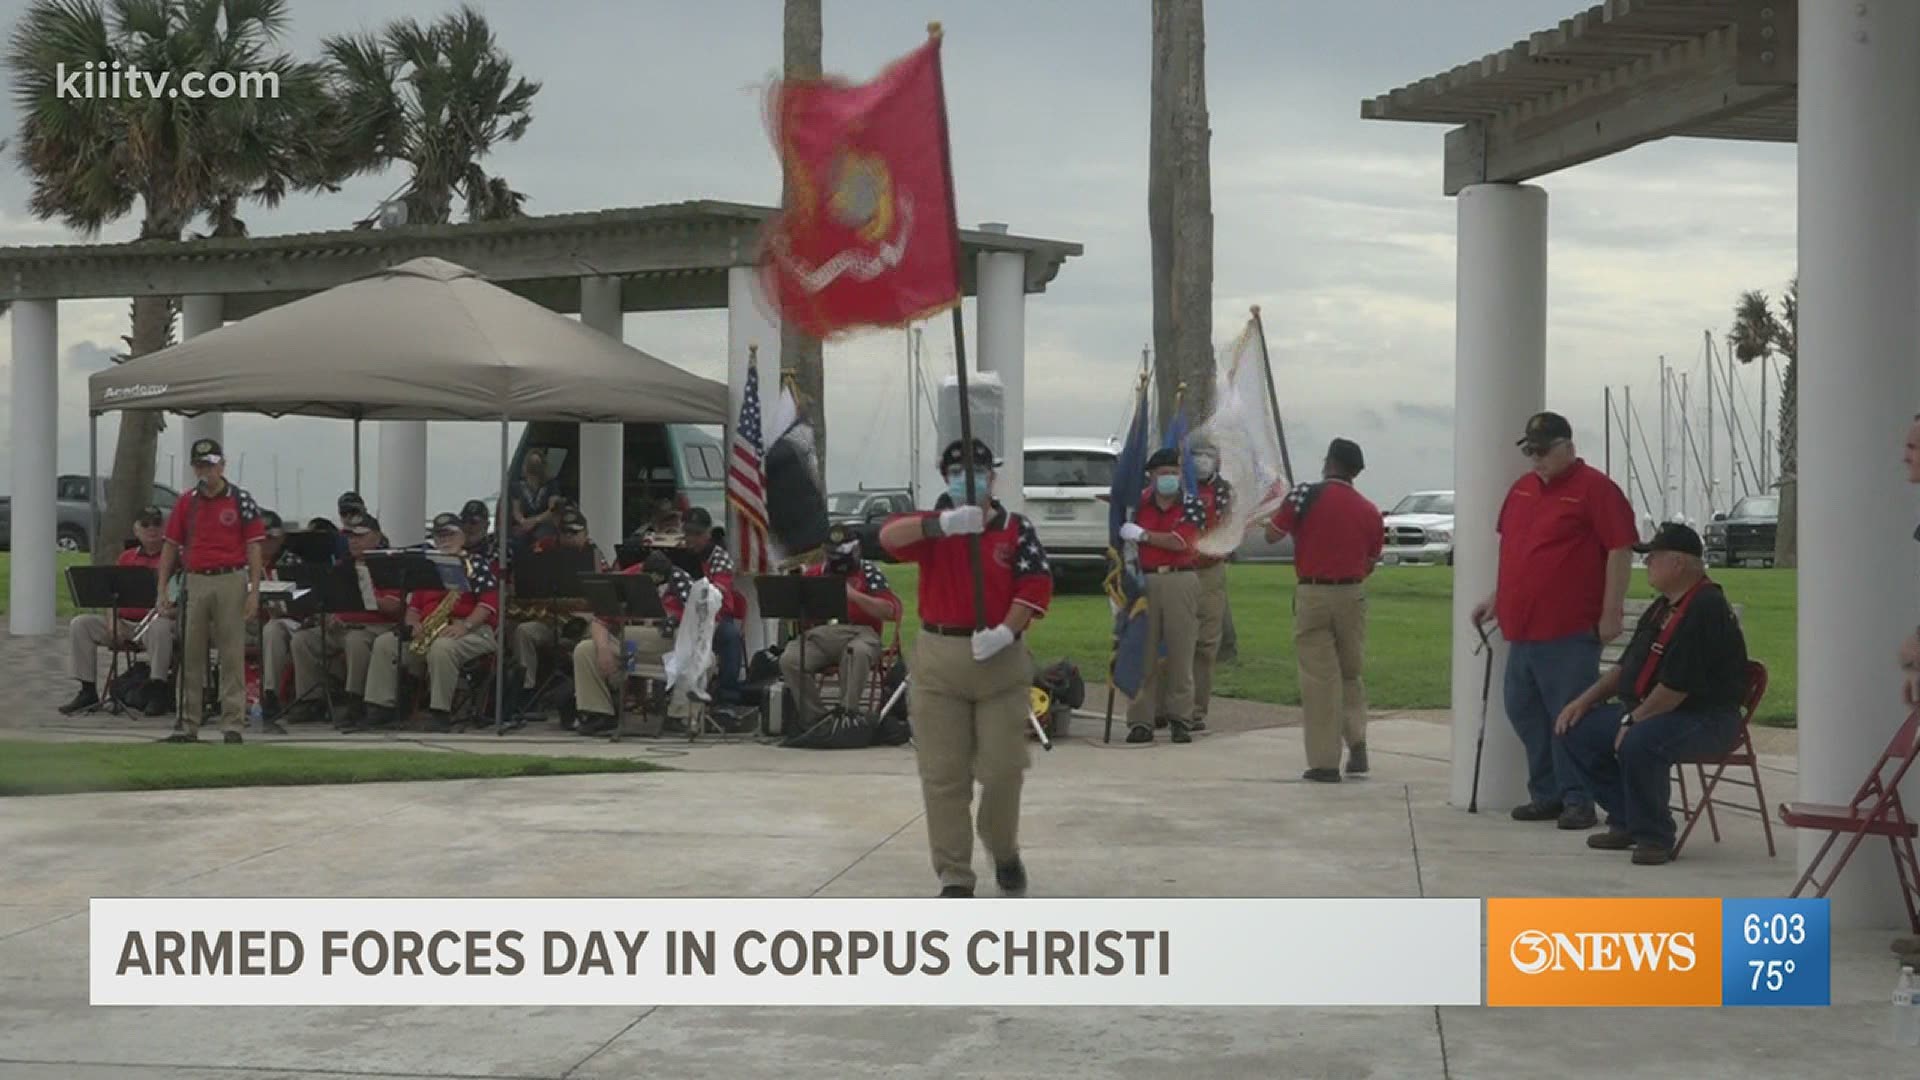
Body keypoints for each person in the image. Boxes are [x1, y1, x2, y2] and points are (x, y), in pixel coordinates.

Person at [879, 438, 1053, 898]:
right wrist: (943, 525)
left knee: (1002, 770)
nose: (967, 480)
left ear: (992, 478)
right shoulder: (931, 528)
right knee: (943, 775)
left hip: (998, 659)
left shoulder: (1016, 528)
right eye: (957, 473)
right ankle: (955, 874)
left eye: (977, 472)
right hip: (941, 657)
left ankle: (1003, 847)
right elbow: (887, 538)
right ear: (946, 478)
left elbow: (1035, 585)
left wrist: (1005, 631)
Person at [1469, 411, 1638, 828]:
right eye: (1530, 451)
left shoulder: (1595, 490)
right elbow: (1518, 553)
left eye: (1544, 451)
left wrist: (1611, 610)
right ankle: (1547, 793)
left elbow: (1620, 549)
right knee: (1524, 711)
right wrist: (1498, 596)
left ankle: (1578, 799)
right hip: (1521, 628)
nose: (1536, 459)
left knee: (1569, 716)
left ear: (1568, 447)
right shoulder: (1522, 490)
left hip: (1568, 629)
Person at [1553, 523, 1748, 865]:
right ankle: (1627, 817)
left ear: (1678, 564)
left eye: (1654, 558)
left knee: (1640, 741)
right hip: (1657, 709)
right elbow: (1627, 667)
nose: (1648, 565)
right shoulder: (1662, 607)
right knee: (1577, 730)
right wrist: (1582, 703)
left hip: (1706, 718)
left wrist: (1632, 720)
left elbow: (1676, 688)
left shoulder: (1705, 608)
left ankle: (1654, 836)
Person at [1265, 438, 1384, 782]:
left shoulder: (1304, 495)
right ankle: (1357, 739)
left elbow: (1273, 536)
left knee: (1319, 679)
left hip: (1314, 591)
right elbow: (1372, 559)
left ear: (1329, 462)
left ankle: (1324, 761)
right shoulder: (1369, 510)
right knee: (1350, 671)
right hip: (1352, 593)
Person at [154, 438, 267, 744]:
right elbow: (170, 546)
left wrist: (254, 590)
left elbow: (254, 547)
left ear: (222, 465)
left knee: (232, 651)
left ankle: (233, 723)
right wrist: (162, 587)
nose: (206, 471)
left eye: (211, 465)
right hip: (195, 578)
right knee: (191, 652)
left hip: (230, 577)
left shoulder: (240, 500)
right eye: (201, 465)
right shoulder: (187, 502)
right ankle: (187, 721)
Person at [357, 512, 500, 733]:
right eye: (439, 536)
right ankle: (380, 707)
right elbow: (413, 607)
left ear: (463, 536)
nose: (444, 540)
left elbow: (489, 604)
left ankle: (440, 712)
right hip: (431, 629)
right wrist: (413, 624)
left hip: (472, 629)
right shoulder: (428, 566)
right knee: (385, 643)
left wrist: (465, 626)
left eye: (450, 534)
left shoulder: (477, 564)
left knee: (443, 648)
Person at [1119, 447, 1207, 744]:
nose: (1170, 478)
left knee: (1181, 652)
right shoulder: (1138, 504)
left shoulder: (1191, 504)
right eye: (1163, 473)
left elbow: (1181, 541)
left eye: (1174, 472)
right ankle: (1140, 720)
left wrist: (1143, 535)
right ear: (1151, 476)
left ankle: (1181, 718)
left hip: (1179, 579)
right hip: (1144, 580)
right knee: (1143, 651)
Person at [778, 523, 902, 728]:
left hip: (861, 633)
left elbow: (890, 611)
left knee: (857, 652)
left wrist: (853, 596)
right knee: (790, 659)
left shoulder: (869, 573)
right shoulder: (815, 574)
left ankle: (847, 713)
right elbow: (796, 616)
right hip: (821, 636)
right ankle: (816, 719)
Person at [287, 515, 404, 727]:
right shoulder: (342, 566)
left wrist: (369, 599)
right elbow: (329, 599)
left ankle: (355, 700)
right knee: (302, 640)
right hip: (341, 625)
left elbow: (396, 606)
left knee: (356, 641)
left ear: (377, 537)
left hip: (375, 626)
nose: (354, 541)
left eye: (360, 536)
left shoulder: (388, 563)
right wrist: (330, 616)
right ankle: (311, 700)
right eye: (350, 536)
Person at [59, 505, 175, 717]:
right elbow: (110, 595)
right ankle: (87, 690)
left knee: (161, 628)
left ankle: (157, 690)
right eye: (145, 524)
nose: (152, 529)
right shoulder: (126, 558)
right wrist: (113, 620)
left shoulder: (173, 557)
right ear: (136, 530)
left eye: (157, 524)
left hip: (154, 623)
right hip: (125, 623)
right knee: (81, 624)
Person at [570, 551, 693, 736]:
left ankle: (678, 716)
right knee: (585, 650)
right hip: (628, 646)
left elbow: (703, 623)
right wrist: (603, 650)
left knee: (701, 655)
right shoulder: (628, 579)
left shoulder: (683, 582)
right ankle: (600, 714)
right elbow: (599, 620)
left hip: (668, 647)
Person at [509, 506, 604, 714]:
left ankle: (584, 697)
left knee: (591, 639)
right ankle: (526, 691)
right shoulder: (544, 551)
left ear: (586, 534)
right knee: (524, 632)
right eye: (565, 532)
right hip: (551, 619)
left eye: (575, 532)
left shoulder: (595, 555)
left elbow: (605, 599)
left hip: (583, 620)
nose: (569, 537)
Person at [681, 506, 746, 704]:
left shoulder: (720, 558)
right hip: (682, 616)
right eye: (688, 533)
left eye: (697, 534)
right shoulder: (677, 554)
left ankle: (728, 697)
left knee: (730, 636)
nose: (692, 539)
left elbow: (718, 596)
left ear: (708, 534)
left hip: (714, 617)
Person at [1190, 440, 1233, 732]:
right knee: (1174, 641)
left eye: (1208, 456)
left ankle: (1195, 711)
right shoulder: (1180, 489)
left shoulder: (1225, 493)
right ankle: (1168, 704)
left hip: (1210, 571)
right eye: (1197, 456)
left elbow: (1232, 526)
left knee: (1205, 644)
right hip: (1178, 570)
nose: (1202, 461)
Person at [256, 510, 302, 732]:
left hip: (288, 622)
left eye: (272, 538)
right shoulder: (242, 563)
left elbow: (304, 604)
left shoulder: (292, 562)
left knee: (273, 630)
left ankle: (270, 695)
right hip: (249, 622)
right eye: (262, 537)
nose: (266, 543)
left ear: (281, 538)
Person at [509, 451, 564, 560]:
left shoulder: (551, 485)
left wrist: (535, 521)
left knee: (542, 538)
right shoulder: (516, 486)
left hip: (545, 523)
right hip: (524, 524)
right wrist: (523, 521)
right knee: (516, 541)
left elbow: (553, 509)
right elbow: (516, 510)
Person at [460, 499, 498, 567]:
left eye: (473, 522)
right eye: (463, 521)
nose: (467, 526)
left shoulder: (494, 554)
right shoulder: (451, 549)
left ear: (486, 526)